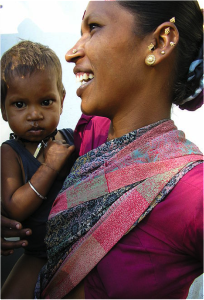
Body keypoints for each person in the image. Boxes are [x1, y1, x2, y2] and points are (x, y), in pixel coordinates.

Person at [1, 0, 204, 298]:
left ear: (159, 42)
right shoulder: (90, 132)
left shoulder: (190, 192)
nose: (71, 52)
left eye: (93, 28)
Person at [0, 40, 75, 299]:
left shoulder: (71, 139)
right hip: (37, 253)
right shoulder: (10, 153)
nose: (34, 114)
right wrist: (50, 167)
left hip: (78, 246)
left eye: (45, 101)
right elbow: (14, 207)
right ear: (3, 108)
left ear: (61, 101)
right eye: (20, 105)